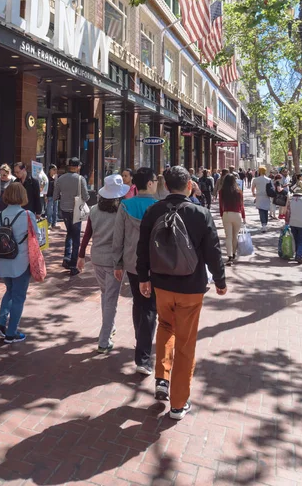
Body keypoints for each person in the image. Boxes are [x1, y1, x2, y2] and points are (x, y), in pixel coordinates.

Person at [136, 166, 227, 420]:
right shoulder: (200, 213)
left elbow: (142, 248)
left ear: (165, 186)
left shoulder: (153, 210)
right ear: (189, 185)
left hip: (161, 285)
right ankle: (178, 403)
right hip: (191, 287)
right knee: (186, 342)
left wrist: (144, 278)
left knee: (165, 326)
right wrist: (220, 279)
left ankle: (162, 378)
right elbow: (213, 251)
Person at [112, 168, 158, 374]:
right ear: (149, 183)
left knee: (139, 301)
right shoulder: (159, 206)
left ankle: (141, 339)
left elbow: (118, 237)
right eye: (155, 180)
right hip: (155, 264)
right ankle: (144, 356)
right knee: (150, 307)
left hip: (132, 263)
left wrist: (118, 263)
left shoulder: (125, 205)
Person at [77, 175, 129, 353]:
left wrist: (81, 254)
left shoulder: (93, 210)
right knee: (111, 299)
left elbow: (87, 235)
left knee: (105, 294)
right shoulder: (123, 211)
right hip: (115, 261)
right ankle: (104, 340)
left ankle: (109, 327)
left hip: (97, 258)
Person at [0, 183, 40, 343]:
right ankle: (11, 333)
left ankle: (1, 322)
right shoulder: (27, 215)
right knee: (19, 296)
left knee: (10, 291)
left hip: (3, 261)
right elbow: (38, 238)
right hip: (21, 261)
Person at [54, 157, 90, 276]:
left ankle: (66, 257)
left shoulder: (60, 178)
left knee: (69, 233)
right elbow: (86, 196)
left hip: (64, 209)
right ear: (77, 167)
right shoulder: (80, 179)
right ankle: (74, 264)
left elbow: (55, 196)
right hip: (76, 210)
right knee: (76, 236)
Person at [219, 174, 246, 266]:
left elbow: (220, 204)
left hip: (227, 213)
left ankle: (229, 256)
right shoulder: (239, 191)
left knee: (228, 237)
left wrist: (222, 214)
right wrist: (243, 216)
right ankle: (234, 253)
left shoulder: (222, 191)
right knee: (235, 236)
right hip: (237, 214)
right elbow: (241, 205)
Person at [285, 188, 302, 264]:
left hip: (292, 223)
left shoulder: (291, 201)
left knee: (296, 239)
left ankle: (297, 253)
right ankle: (299, 255)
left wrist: (286, 222)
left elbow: (287, 212)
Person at [251, 166, 271, 232]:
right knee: (265, 210)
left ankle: (263, 224)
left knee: (261, 210)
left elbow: (252, 188)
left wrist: (253, 193)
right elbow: (272, 188)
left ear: (259, 171)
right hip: (267, 196)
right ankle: (265, 224)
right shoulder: (268, 179)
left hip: (259, 196)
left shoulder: (255, 179)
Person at [45, 164, 59, 229]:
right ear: (50, 170)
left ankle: (54, 223)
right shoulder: (46, 177)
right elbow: (44, 187)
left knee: (55, 210)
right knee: (49, 211)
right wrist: (45, 196)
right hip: (49, 196)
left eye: (56, 169)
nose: (55, 171)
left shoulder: (56, 177)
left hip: (55, 196)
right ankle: (49, 223)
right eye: (54, 169)